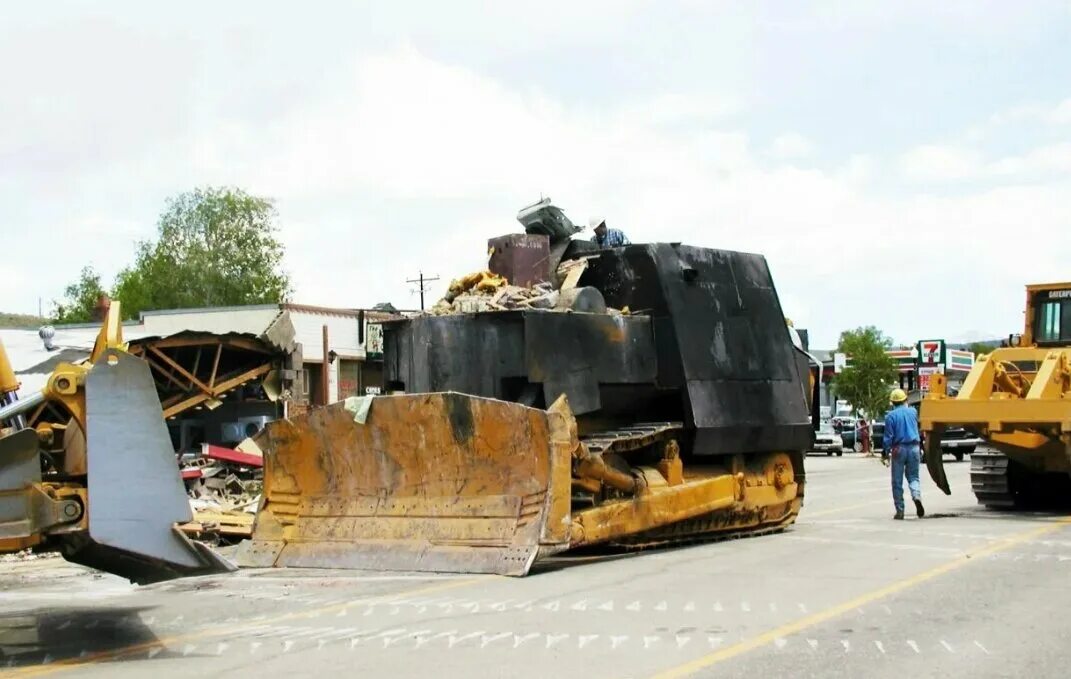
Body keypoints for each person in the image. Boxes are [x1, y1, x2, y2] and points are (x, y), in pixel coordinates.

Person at [882, 388, 925, 520]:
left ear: (892, 402)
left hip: (898, 449)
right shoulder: (913, 412)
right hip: (914, 447)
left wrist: (885, 453)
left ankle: (900, 510)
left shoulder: (890, 416)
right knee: (913, 477)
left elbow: (888, 437)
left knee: (897, 481)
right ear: (905, 400)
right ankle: (916, 496)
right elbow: (918, 429)